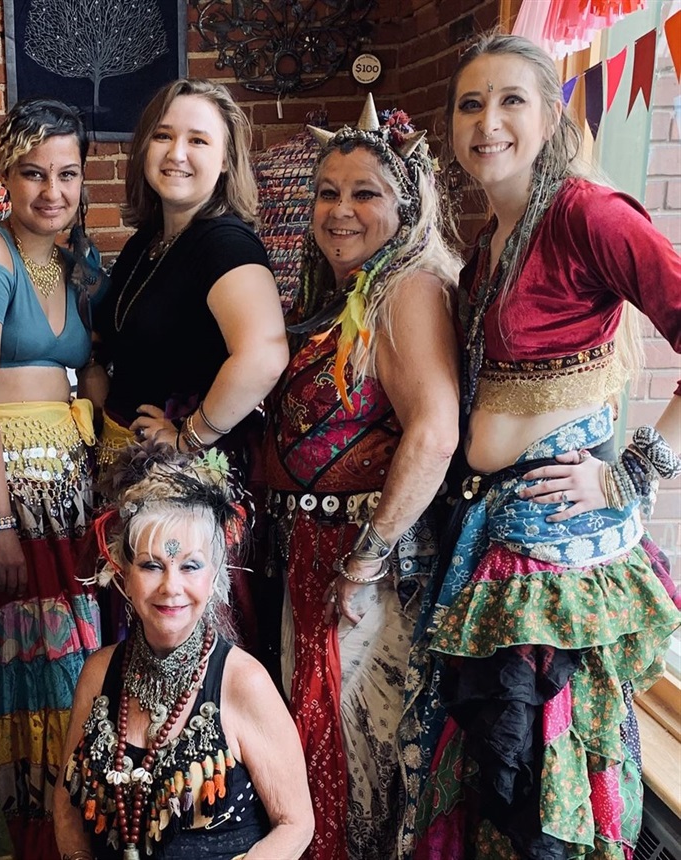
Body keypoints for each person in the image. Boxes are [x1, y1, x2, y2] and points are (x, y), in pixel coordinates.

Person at [405, 33, 681, 859]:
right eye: (470, 104)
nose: (488, 122)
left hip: (557, 544)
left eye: (511, 100)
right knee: (491, 771)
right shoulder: (485, 246)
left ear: (551, 113)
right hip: (497, 533)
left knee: (540, 770)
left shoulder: (588, 214)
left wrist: (638, 468)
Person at [261, 95, 462, 860]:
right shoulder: (347, 292)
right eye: (327, 192)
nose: (339, 211)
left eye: (364, 193)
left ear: (405, 203)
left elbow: (434, 433)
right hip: (315, 554)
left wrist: (368, 558)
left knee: (366, 759)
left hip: (368, 570)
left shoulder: (406, 287)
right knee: (323, 751)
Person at [0, 98, 105, 858]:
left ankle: (79, 821)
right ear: (5, 175)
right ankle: (30, 835)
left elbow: (92, 367)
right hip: (12, 476)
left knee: (77, 657)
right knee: (29, 657)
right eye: (34, 173)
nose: (52, 190)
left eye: (67, 174)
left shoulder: (79, 257)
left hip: (71, 480)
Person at [89, 77, 288, 650]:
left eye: (198, 141)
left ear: (225, 161)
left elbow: (265, 352)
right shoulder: (150, 241)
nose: (177, 154)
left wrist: (190, 437)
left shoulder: (224, 242)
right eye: (164, 136)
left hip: (192, 487)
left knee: (190, 645)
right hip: (142, 477)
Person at [54, 443, 315, 860]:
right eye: (152, 565)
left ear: (215, 577)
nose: (171, 587)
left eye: (190, 566)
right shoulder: (99, 673)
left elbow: (297, 824)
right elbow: (68, 807)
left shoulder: (244, 683)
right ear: (122, 572)